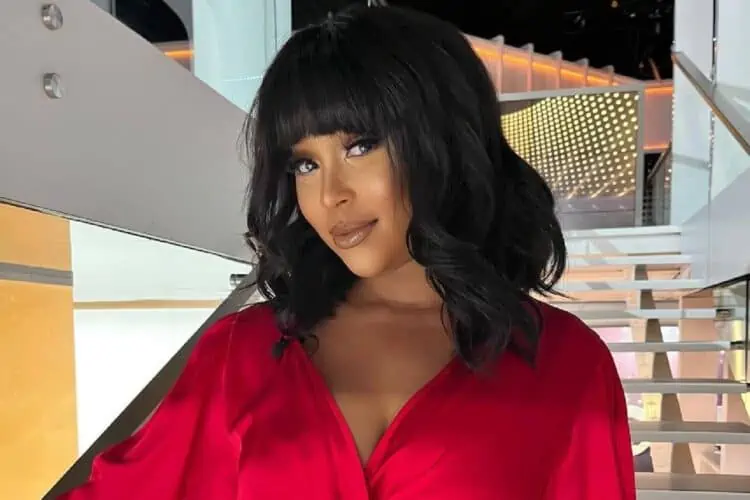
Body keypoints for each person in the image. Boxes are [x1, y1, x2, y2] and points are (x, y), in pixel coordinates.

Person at [58, 5, 635, 499]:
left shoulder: (567, 365)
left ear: (443, 140)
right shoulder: (241, 352)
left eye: (360, 146)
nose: (330, 194)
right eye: (305, 164)